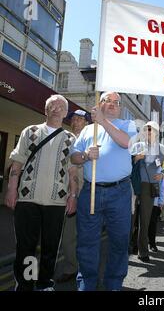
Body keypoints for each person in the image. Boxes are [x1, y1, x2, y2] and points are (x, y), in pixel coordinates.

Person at [5, 95, 78, 291]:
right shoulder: (30, 131)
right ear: (45, 110)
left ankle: (45, 283)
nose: (55, 108)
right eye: (51, 106)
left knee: (50, 247)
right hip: (28, 199)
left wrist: (73, 196)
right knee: (26, 247)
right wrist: (12, 190)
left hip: (57, 202)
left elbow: (72, 171)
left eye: (60, 106)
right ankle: (25, 284)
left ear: (65, 113)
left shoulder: (71, 139)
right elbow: (17, 162)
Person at [71, 91, 137, 291]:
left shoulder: (128, 125)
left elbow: (127, 143)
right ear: (100, 104)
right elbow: (74, 156)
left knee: (119, 240)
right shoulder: (87, 130)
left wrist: (103, 122)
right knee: (87, 241)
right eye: (107, 100)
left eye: (116, 102)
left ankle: (114, 284)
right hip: (91, 191)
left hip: (120, 192)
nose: (112, 104)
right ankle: (87, 283)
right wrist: (85, 156)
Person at [131, 121, 164, 263]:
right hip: (133, 186)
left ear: (156, 132)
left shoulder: (162, 148)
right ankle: (132, 245)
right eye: (146, 129)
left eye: (150, 130)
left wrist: (163, 173)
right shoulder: (137, 146)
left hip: (150, 187)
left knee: (145, 220)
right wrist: (136, 158)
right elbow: (126, 162)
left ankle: (142, 251)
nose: (147, 132)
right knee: (131, 219)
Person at [56, 110, 90, 283]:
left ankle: (85, 270)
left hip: (85, 192)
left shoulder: (92, 140)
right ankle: (71, 267)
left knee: (85, 234)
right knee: (68, 234)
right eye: (73, 119)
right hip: (63, 191)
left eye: (80, 119)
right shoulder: (63, 138)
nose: (75, 121)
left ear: (87, 123)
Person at [148, 178, 164, 252]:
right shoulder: (141, 167)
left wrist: (160, 202)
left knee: (152, 224)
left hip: (154, 202)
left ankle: (152, 243)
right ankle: (138, 244)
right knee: (140, 224)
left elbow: (162, 187)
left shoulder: (159, 170)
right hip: (142, 201)